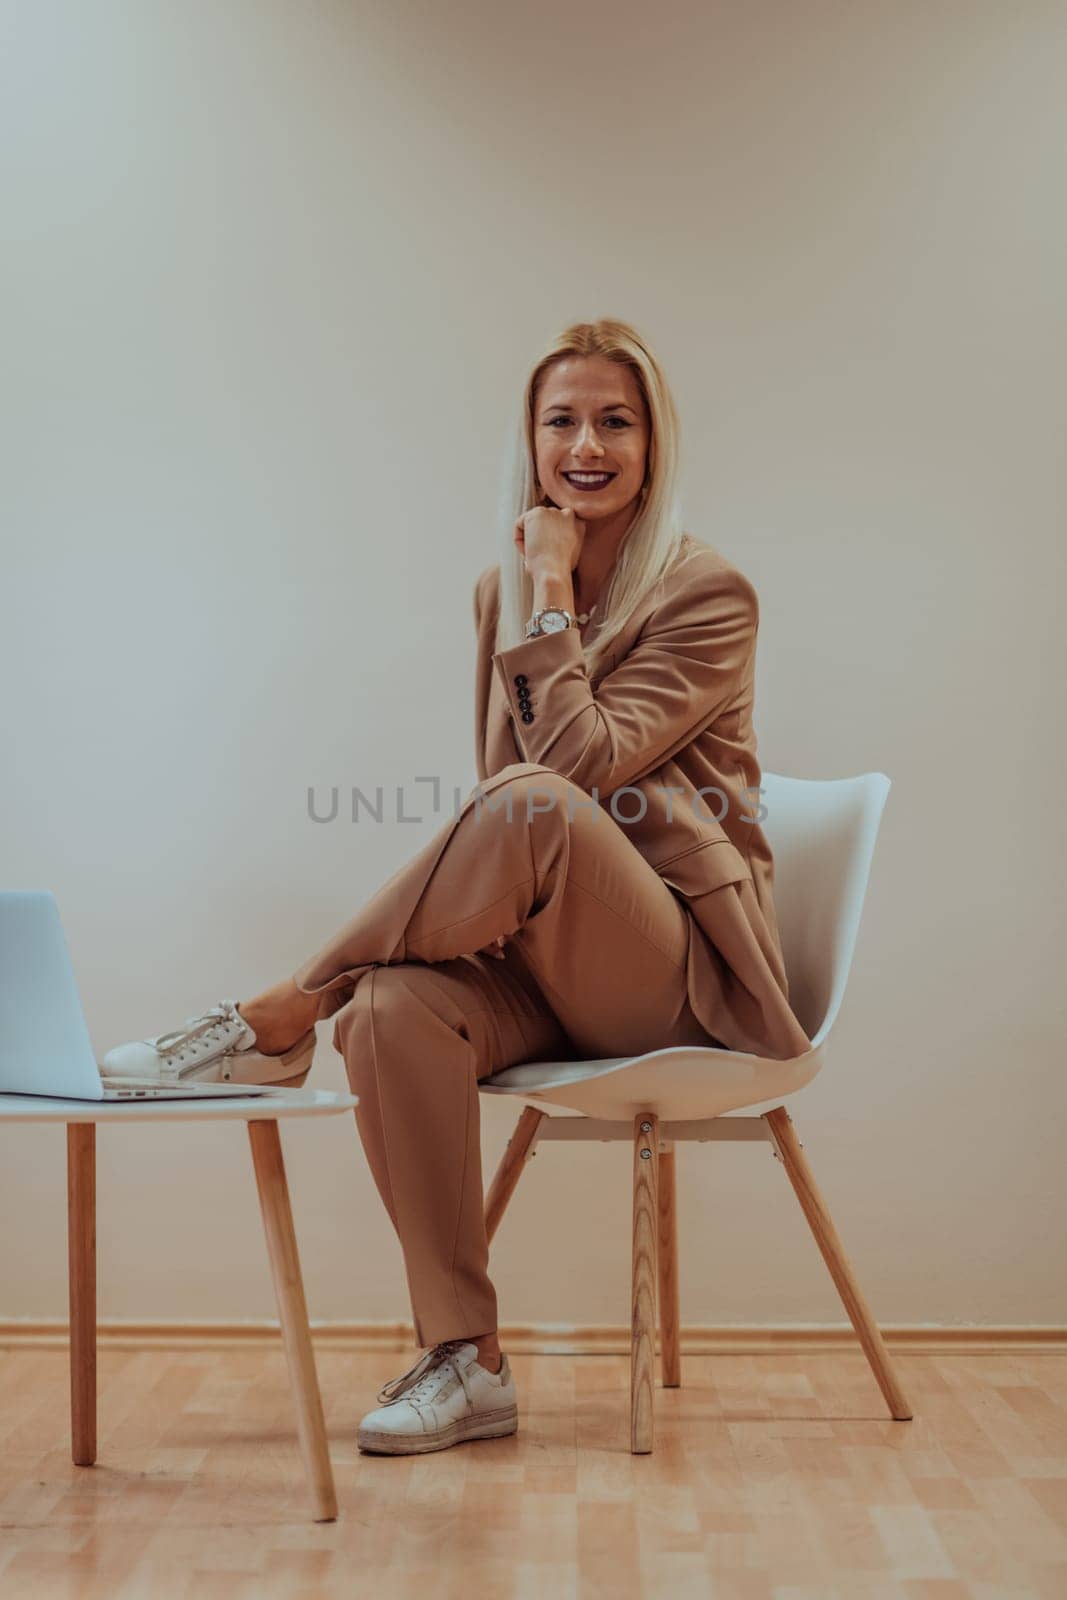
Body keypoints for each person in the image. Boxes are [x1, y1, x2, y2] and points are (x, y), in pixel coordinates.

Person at [102, 317, 811, 1456]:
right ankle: (466, 1358)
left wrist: (547, 590)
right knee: (390, 1011)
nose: (586, 444)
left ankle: (281, 1008)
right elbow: (506, 804)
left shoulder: (704, 593)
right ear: (528, 440)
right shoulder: (501, 590)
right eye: (561, 420)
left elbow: (562, 777)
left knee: (532, 805)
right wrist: (527, 590)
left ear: (653, 442)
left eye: (613, 421)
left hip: (676, 976)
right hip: (551, 953)